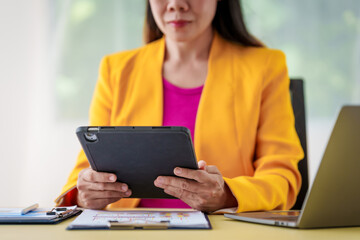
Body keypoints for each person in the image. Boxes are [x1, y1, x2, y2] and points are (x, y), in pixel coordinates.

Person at [55, 0, 304, 213]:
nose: (176, 4)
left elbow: (283, 177)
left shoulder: (266, 67)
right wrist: (83, 195)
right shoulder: (116, 70)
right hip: (129, 231)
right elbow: (83, 172)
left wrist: (226, 195)